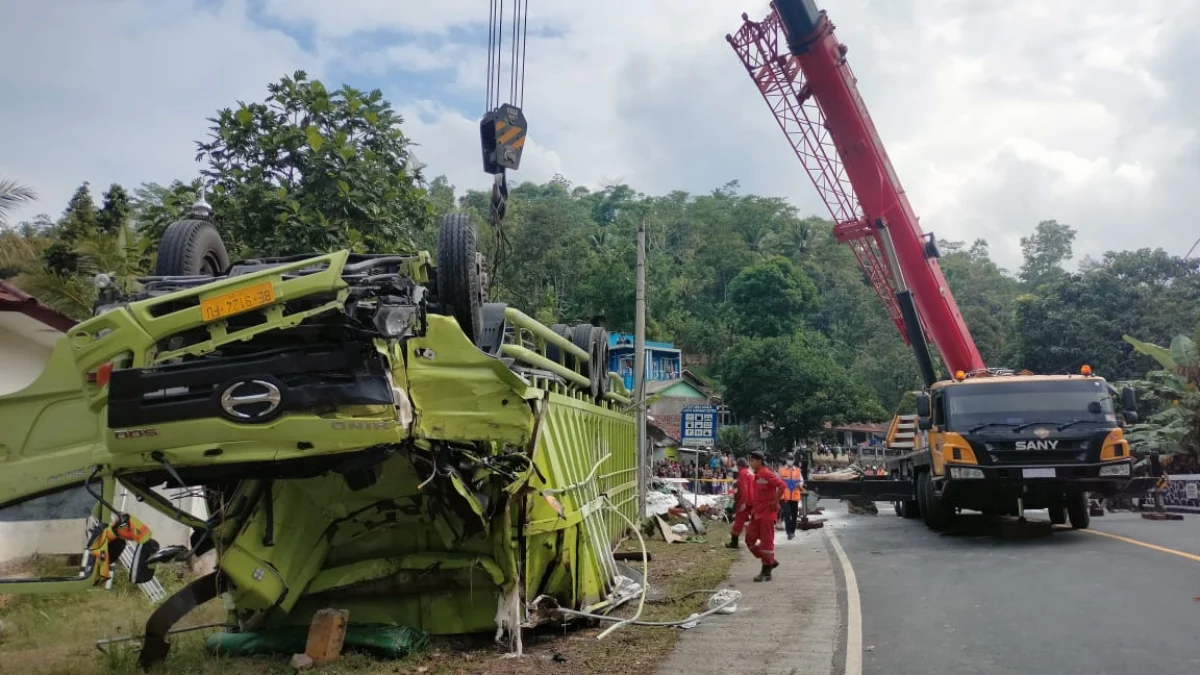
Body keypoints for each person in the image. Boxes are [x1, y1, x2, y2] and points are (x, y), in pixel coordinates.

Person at [745, 450, 786, 582]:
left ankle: (766, 571)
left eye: (752, 460)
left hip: (767, 514)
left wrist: (776, 501)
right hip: (757, 513)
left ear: (759, 461)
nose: (750, 463)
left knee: (766, 543)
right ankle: (770, 560)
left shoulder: (767, 473)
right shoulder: (757, 475)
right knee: (749, 539)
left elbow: (782, 485)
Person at [725, 457, 755, 550]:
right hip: (753, 500)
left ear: (739, 465)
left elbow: (743, 489)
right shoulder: (750, 472)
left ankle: (734, 543)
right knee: (756, 521)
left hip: (744, 501)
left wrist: (743, 502)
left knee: (739, 522)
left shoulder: (742, 473)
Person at [778, 453, 804, 540]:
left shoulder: (797, 470)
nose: (790, 460)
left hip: (795, 496)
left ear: (793, 460)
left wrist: (799, 485)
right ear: (786, 460)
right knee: (787, 514)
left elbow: (801, 481)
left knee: (794, 515)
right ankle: (789, 532)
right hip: (785, 496)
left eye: (791, 459)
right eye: (789, 459)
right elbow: (778, 481)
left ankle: (792, 531)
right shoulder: (781, 470)